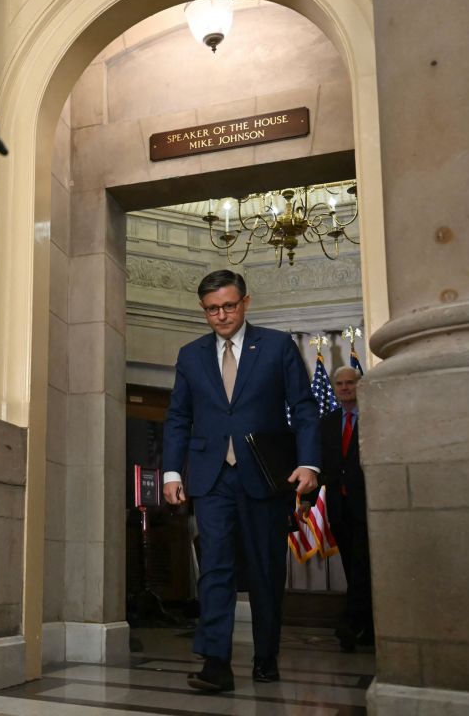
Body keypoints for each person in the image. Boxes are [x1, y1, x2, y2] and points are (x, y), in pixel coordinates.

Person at [162, 269, 319, 692]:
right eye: (212, 309)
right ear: (203, 310)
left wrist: (309, 464)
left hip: (265, 476)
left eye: (229, 306)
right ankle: (216, 662)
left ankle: (266, 656)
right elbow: (178, 416)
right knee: (214, 567)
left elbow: (304, 408)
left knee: (266, 570)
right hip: (211, 479)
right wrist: (173, 471)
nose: (222, 315)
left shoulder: (275, 346)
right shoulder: (191, 354)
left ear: (245, 302)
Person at [320, 365, 373, 652]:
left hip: (367, 506)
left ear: (359, 384)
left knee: (363, 566)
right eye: (339, 383)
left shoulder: (373, 418)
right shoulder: (327, 423)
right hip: (338, 509)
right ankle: (363, 626)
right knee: (352, 567)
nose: (344, 388)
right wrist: (306, 500)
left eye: (349, 382)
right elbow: (322, 465)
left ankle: (352, 622)